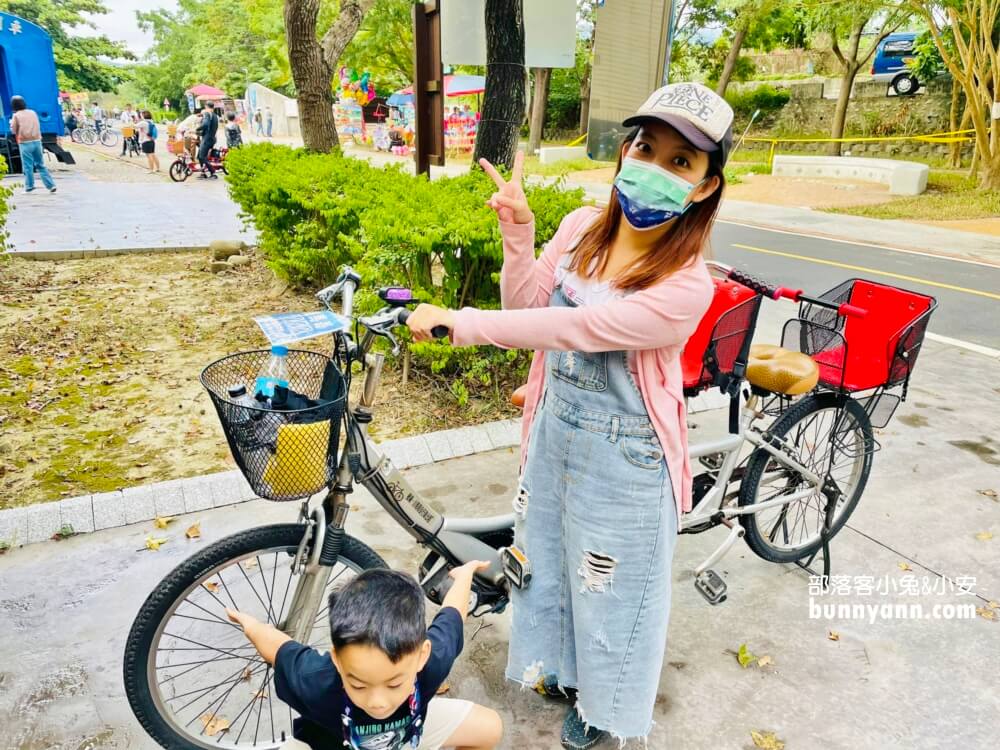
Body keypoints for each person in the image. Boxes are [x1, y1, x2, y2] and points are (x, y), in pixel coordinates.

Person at [404, 82, 733, 749]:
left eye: (680, 162)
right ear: (623, 151)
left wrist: (461, 324)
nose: (654, 168)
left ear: (702, 187)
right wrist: (518, 235)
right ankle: (561, 670)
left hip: (630, 459)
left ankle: (604, 709)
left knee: (614, 594)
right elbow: (529, 299)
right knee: (548, 566)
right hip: (556, 437)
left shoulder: (687, 283)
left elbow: (573, 328)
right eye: (645, 148)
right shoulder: (583, 226)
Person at [227, 564, 504, 750]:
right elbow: (279, 647)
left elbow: (453, 613)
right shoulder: (316, 680)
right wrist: (250, 624)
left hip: (406, 738)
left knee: (489, 726)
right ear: (337, 660)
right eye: (358, 684)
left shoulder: (431, 664)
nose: (378, 702)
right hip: (322, 746)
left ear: (421, 657)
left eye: (394, 683)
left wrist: (465, 574)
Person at [10, 95, 57, 193]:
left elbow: (13, 130)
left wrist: (12, 124)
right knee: (41, 164)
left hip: (25, 143)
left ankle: (29, 186)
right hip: (37, 141)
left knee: (28, 166)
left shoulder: (16, 115)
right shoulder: (32, 112)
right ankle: (51, 185)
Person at [196, 101, 219, 178]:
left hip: (207, 139)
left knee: (202, 156)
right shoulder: (215, 116)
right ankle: (203, 172)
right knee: (199, 155)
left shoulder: (207, 114)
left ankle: (212, 172)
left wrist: (197, 129)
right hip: (212, 138)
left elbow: (205, 124)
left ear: (206, 107)